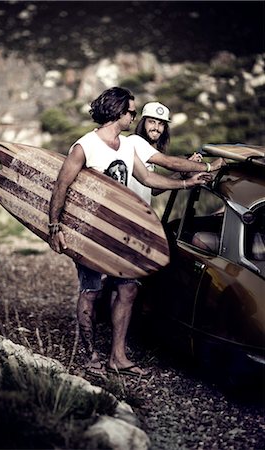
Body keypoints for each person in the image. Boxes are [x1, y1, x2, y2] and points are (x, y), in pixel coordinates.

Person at [48, 87, 212, 378]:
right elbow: (61, 186)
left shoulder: (127, 145)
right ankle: (90, 356)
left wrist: (189, 183)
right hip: (91, 233)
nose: (134, 117)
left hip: (124, 232)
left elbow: (148, 178)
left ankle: (118, 356)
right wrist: (54, 228)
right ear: (117, 112)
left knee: (128, 290)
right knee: (91, 292)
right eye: (132, 112)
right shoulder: (84, 146)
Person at [127, 101, 225, 204]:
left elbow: (153, 190)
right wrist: (210, 166)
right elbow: (170, 163)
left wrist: (182, 173)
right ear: (143, 123)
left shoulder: (147, 152)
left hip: (140, 214)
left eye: (161, 124)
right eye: (152, 122)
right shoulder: (135, 141)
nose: (156, 128)